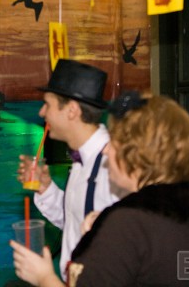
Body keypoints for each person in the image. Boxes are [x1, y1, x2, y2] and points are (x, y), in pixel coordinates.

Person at [11, 92, 189, 286]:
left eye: (114, 142)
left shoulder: (127, 222)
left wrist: (44, 277)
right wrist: (100, 233)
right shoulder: (187, 219)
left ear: (136, 154)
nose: (105, 150)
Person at [16, 59, 122, 280]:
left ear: (72, 110)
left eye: (48, 104)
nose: (41, 112)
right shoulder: (80, 159)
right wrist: (45, 189)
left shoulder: (115, 165)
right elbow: (74, 222)